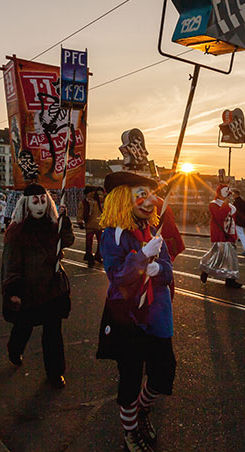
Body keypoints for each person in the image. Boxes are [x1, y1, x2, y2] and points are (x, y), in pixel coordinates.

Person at [96, 172, 175, 452]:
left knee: (163, 372)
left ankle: (142, 411)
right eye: (140, 194)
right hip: (127, 317)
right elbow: (116, 276)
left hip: (157, 315)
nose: (148, 200)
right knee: (130, 379)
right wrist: (142, 258)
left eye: (150, 194)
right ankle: (130, 432)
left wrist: (158, 268)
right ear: (122, 199)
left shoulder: (153, 231)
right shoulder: (113, 234)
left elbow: (167, 272)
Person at [1, 183, 74, 388]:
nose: (40, 205)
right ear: (26, 204)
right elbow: (11, 262)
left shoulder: (53, 226)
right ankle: (15, 349)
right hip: (28, 290)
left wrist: (64, 223)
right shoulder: (17, 232)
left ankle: (55, 373)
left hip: (52, 289)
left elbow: (67, 241)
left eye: (43, 200)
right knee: (23, 327)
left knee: (53, 333)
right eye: (35, 201)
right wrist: (13, 289)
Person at [199, 184, 241, 288]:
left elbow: (233, 221)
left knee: (230, 257)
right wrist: (225, 205)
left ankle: (230, 279)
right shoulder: (214, 204)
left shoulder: (230, 206)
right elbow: (219, 216)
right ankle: (206, 269)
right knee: (217, 255)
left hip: (229, 235)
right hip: (220, 235)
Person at [76, 185, 104, 267]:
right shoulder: (83, 203)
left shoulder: (98, 201)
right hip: (89, 225)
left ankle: (98, 255)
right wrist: (80, 221)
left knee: (101, 242)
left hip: (99, 225)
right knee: (89, 243)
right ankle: (89, 257)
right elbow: (80, 213)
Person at [232, 189, 245, 256]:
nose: (233, 196)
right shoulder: (243, 202)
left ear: (237, 195)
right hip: (242, 220)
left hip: (237, 220)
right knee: (236, 234)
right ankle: (233, 246)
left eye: (234, 194)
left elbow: (234, 212)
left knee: (240, 233)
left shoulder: (236, 203)